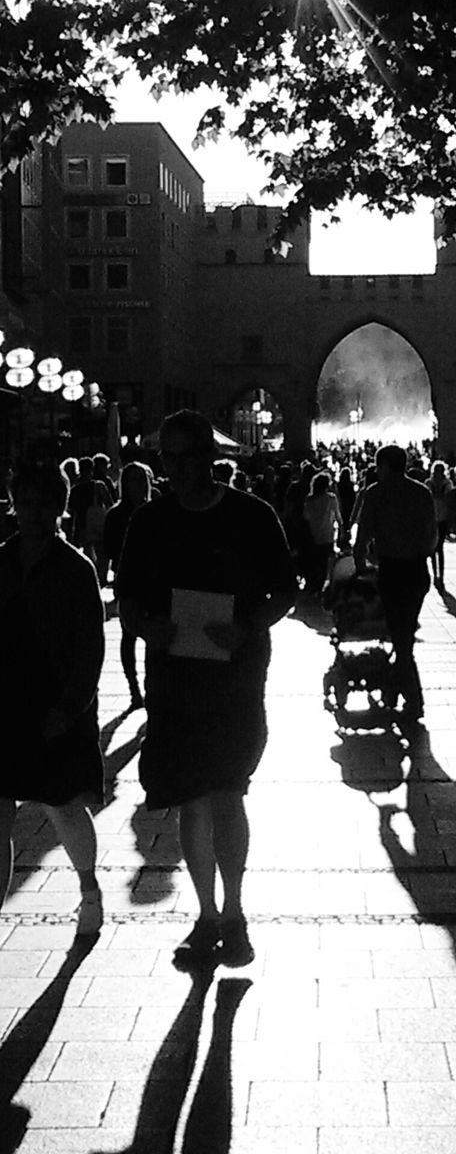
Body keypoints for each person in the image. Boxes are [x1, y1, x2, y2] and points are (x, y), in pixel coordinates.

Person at [116, 410, 297, 966]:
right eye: (169, 458)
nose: (179, 467)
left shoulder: (252, 516)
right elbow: (127, 598)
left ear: (210, 457)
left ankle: (236, 909)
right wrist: (150, 627)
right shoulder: (149, 523)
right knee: (192, 798)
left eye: (189, 455)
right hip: (175, 679)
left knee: (228, 792)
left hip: (235, 679)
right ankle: (206, 914)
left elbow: (285, 590)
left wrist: (245, 627)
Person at [0, 462, 105, 936]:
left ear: (61, 508)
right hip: (4, 703)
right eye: (24, 504)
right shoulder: (0, 561)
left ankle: (88, 890)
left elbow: (90, 647)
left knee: (63, 805)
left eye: (43, 504)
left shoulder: (75, 570)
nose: (32, 513)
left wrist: (71, 707)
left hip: (54, 705)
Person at [354, 444, 437, 721]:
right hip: (417, 571)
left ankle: (413, 698)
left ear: (385, 466)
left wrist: (360, 567)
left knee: (401, 638)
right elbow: (432, 535)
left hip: (391, 570)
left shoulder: (376, 493)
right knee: (404, 634)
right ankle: (395, 690)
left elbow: (362, 536)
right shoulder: (421, 491)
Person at [102, 462, 153, 707]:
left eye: (141, 480)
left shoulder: (157, 510)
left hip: (155, 582)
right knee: (128, 635)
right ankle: (134, 688)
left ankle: (151, 687)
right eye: (133, 481)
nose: (138, 486)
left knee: (154, 637)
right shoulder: (117, 514)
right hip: (129, 582)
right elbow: (110, 548)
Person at [67, 455, 113, 583]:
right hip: (99, 525)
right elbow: (110, 505)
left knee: (87, 556)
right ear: (92, 469)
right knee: (102, 555)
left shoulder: (75, 489)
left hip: (82, 526)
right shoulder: (99, 486)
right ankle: (100, 579)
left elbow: (71, 512)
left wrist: (71, 533)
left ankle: (91, 578)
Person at [303, 470, 341, 595]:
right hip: (327, 534)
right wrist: (341, 528)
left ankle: (314, 584)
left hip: (312, 534)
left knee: (314, 560)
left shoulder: (309, 499)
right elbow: (337, 516)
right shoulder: (331, 498)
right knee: (325, 561)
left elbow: (306, 517)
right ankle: (322, 586)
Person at [427, 459, 453, 588]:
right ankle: (436, 573)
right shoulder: (440, 483)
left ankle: (440, 574)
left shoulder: (443, 483)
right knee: (434, 548)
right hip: (434, 517)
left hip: (441, 518)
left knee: (439, 547)